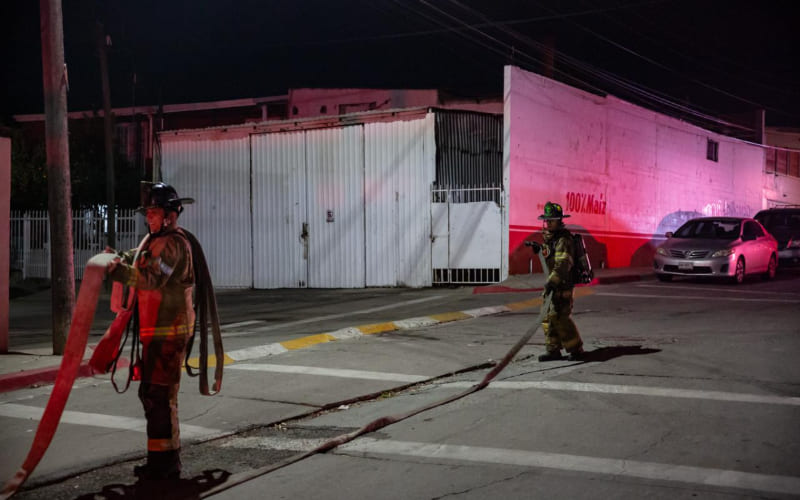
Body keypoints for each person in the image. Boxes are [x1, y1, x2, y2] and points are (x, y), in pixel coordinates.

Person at [107, 182, 197, 480]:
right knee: (151, 393)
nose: (150, 218)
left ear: (171, 214)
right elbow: (140, 258)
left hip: (169, 333)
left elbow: (152, 279)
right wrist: (119, 257)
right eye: (148, 212)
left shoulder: (173, 245)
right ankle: (159, 459)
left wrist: (118, 271)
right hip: (156, 331)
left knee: (159, 394)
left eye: (155, 212)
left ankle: (166, 466)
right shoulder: (155, 241)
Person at [536, 201, 585, 362]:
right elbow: (550, 256)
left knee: (560, 317)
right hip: (552, 283)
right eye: (547, 220)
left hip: (562, 285)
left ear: (559, 221)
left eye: (552, 220)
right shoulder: (551, 238)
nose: (548, 223)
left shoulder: (564, 239)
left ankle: (576, 349)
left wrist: (553, 281)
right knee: (548, 317)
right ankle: (553, 350)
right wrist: (539, 250)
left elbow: (563, 264)